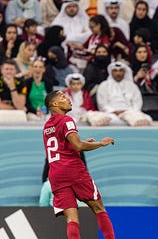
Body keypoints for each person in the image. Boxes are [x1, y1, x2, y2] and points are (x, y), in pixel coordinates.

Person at [42, 90, 115, 239]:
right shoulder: (67, 120)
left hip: (56, 175)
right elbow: (78, 146)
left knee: (72, 219)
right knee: (99, 209)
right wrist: (100, 143)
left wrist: (83, 142)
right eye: (63, 97)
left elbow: (63, 146)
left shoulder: (47, 126)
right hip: (73, 170)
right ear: (54, 104)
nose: (68, 99)